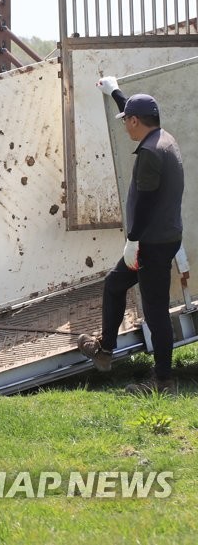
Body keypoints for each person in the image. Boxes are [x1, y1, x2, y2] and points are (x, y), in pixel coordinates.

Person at [79, 78, 185, 394]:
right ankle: (105, 351)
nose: (125, 126)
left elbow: (148, 204)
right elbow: (133, 109)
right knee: (114, 284)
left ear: (136, 122)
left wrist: (134, 241)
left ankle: (163, 380)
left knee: (155, 310)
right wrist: (114, 91)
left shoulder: (151, 154)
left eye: (127, 121)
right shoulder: (163, 138)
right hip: (161, 237)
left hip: (152, 242)